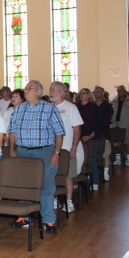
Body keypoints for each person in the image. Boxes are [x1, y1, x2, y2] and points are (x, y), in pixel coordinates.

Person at [7, 80, 64, 234]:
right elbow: (12, 131)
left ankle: (49, 220)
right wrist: (12, 150)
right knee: (24, 184)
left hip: (44, 151)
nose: (26, 91)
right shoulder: (18, 109)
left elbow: (59, 132)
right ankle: (23, 216)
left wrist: (56, 152)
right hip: (23, 151)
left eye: (29, 88)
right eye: (25, 89)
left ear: (39, 92)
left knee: (47, 184)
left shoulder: (50, 109)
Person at [48, 81, 82, 213]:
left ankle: (68, 201)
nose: (51, 92)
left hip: (67, 147)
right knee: (52, 175)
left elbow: (77, 128)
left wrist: (74, 147)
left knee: (68, 175)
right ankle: (54, 198)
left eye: (54, 90)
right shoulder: (48, 107)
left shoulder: (70, 107)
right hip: (51, 148)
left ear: (62, 92)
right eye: (50, 90)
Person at [77, 88, 102, 190]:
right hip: (80, 136)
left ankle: (95, 182)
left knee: (92, 158)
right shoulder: (76, 107)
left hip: (92, 136)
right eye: (81, 93)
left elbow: (98, 122)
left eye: (84, 93)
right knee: (80, 158)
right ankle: (79, 179)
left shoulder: (93, 107)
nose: (82, 95)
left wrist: (91, 134)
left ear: (88, 95)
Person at [110, 85, 129, 166]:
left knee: (128, 142)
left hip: (127, 125)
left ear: (124, 91)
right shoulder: (114, 101)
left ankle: (128, 159)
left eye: (120, 90)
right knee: (117, 142)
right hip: (116, 125)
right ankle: (117, 159)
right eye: (118, 90)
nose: (119, 92)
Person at [94, 85, 114, 181]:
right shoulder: (92, 105)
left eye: (98, 91)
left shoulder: (107, 106)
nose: (96, 93)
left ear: (103, 93)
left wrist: (96, 127)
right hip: (94, 133)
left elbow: (106, 121)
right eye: (95, 91)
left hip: (104, 133)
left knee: (106, 153)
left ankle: (106, 173)